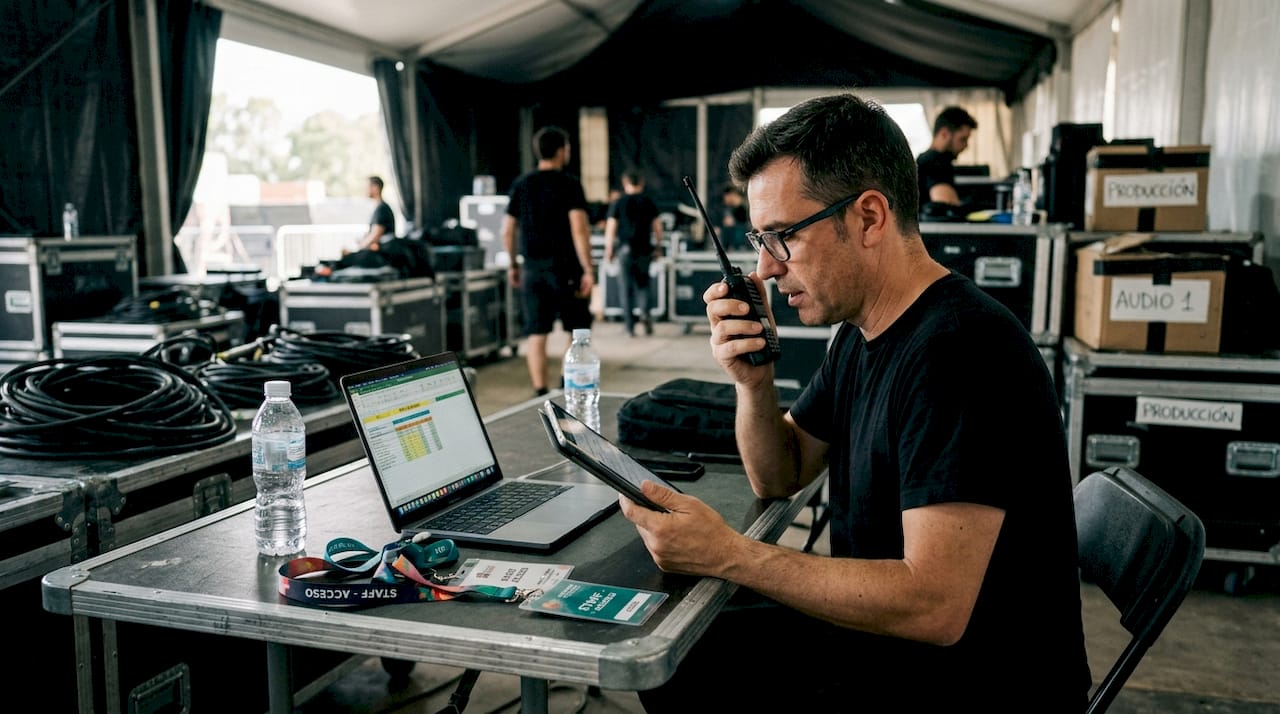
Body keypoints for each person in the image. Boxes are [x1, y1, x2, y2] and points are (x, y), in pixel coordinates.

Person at [618, 93, 1090, 711]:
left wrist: (731, 554)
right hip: (890, 645)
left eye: (783, 236)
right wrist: (753, 381)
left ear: (869, 217)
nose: (764, 268)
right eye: (759, 238)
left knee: (684, 663)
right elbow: (780, 472)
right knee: (678, 637)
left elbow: (935, 605)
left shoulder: (960, 352)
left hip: (968, 682)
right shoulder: (861, 334)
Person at [501, 126, 596, 397]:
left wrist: (513, 265)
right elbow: (579, 229)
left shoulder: (521, 184)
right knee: (576, 330)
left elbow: (507, 231)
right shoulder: (569, 184)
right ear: (561, 150)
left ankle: (539, 392)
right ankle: (568, 385)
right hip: (566, 271)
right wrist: (588, 269)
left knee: (536, 333)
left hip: (532, 270)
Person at [603, 169, 663, 337]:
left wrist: (609, 250)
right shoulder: (648, 202)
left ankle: (629, 328)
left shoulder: (619, 202)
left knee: (626, 288)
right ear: (641, 183)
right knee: (644, 285)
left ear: (625, 183)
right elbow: (657, 227)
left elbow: (611, 228)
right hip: (644, 250)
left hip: (625, 251)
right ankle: (645, 314)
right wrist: (658, 246)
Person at [916, 105, 978, 208]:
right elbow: (947, 205)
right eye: (962, 139)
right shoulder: (935, 161)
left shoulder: (925, 159)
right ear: (944, 134)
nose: (966, 146)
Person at [355, 175, 396, 252]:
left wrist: (362, 245)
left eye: (367, 187)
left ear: (375, 188)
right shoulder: (380, 207)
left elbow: (376, 235)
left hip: (382, 253)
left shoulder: (382, 209)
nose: (365, 190)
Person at [719, 183, 749, 250]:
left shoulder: (746, 207)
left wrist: (734, 222)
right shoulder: (729, 209)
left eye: (726, 197)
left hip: (744, 240)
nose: (725, 200)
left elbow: (747, 223)